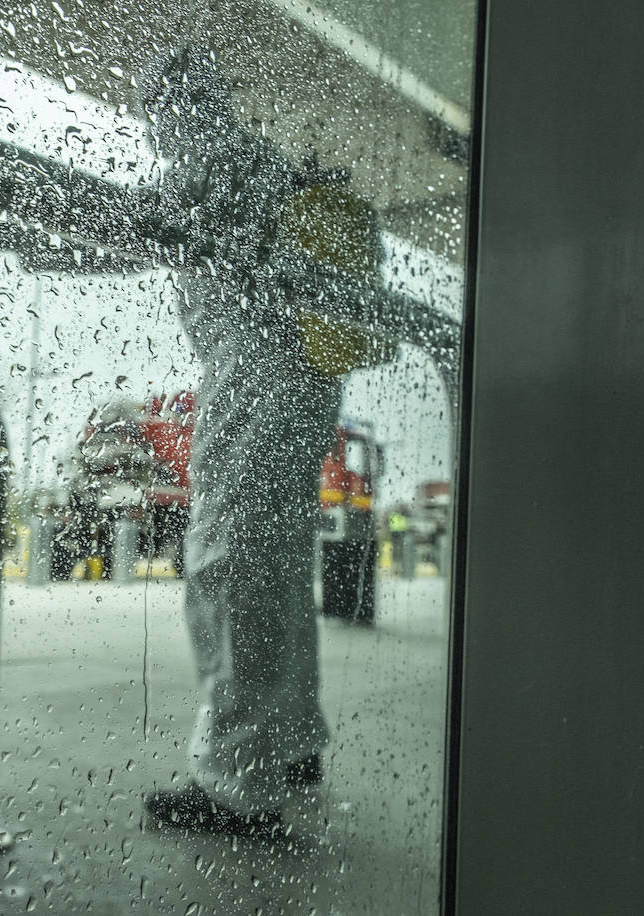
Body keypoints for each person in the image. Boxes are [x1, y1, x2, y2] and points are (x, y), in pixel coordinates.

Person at [138, 48, 389, 836]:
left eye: (156, 110)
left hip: (258, 374)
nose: (156, 128)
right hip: (301, 378)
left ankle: (239, 783)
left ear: (172, 108)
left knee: (230, 565)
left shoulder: (208, 161)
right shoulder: (261, 162)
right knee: (275, 562)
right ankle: (293, 742)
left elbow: (121, 233)